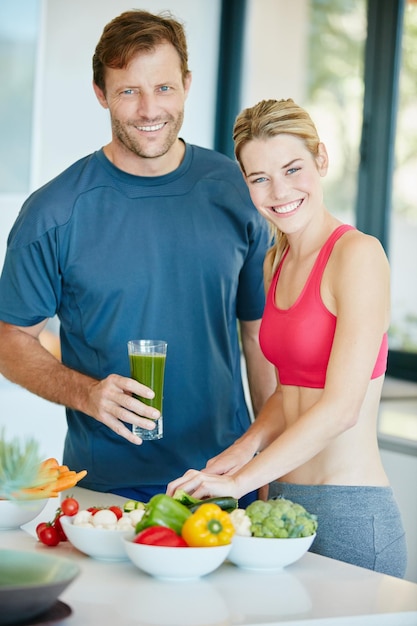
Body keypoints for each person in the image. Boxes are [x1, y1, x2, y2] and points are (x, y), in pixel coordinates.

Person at [0, 11, 276, 505]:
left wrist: (271, 459)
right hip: (107, 492)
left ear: (187, 85)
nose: (150, 109)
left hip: (227, 481)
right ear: (101, 94)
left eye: (164, 88)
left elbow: (258, 336)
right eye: (129, 91)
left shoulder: (238, 191)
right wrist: (86, 393)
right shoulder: (54, 212)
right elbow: (9, 339)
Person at [167, 98, 408, 577]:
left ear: (321, 159)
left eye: (292, 168)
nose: (278, 191)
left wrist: (241, 480)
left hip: (350, 513)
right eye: (259, 178)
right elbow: (291, 389)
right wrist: (240, 451)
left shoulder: (358, 255)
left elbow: (341, 408)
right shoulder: (275, 261)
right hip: (280, 505)